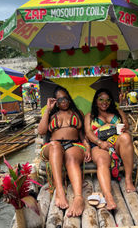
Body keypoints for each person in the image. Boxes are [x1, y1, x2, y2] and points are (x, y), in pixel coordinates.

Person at [38, 86, 91, 217]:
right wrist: (47, 110)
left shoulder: (77, 112)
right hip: (52, 146)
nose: (63, 101)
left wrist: (88, 147)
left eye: (65, 98)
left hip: (73, 144)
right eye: (60, 99)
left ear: (69, 98)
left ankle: (78, 198)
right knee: (55, 146)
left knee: (72, 158)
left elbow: (83, 135)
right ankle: (60, 191)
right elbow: (42, 131)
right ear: (55, 100)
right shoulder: (51, 114)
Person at [84, 88, 135, 210]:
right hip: (98, 145)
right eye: (101, 99)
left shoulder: (118, 112)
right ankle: (108, 196)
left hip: (117, 143)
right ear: (96, 101)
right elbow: (88, 133)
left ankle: (128, 180)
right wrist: (100, 143)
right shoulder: (90, 116)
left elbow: (126, 127)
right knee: (102, 160)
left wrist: (121, 129)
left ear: (111, 101)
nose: (104, 102)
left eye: (107, 100)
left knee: (126, 137)